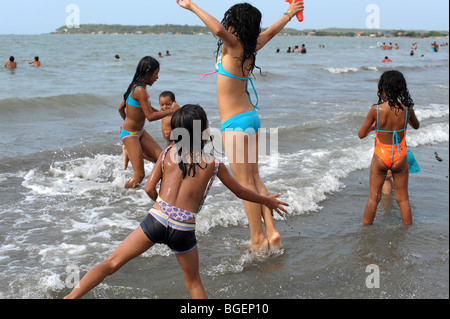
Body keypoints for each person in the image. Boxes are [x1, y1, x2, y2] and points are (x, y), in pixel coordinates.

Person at [64, 104, 288, 299]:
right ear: (202, 131)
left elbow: (150, 189)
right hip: (183, 228)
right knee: (193, 284)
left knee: (110, 264)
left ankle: (71, 296)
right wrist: (266, 201)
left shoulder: (169, 151)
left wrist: (161, 206)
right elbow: (240, 191)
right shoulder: (213, 163)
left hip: (157, 219)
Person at [177, 0, 304, 251]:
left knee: (245, 183)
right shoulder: (251, 47)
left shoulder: (233, 45)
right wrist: (289, 13)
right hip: (251, 118)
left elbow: (217, 30)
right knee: (255, 177)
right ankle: (272, 230)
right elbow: (271, 32)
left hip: (235, 123)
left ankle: (258, 239)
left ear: (235, 23)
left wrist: (191, 6)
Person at [358, 70, 420, 225]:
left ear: (383, 88)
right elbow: (416, 126)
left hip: (381, 155)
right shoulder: (407, 109)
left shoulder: (376, 110)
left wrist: (373, 127)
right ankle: (407, 232)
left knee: (374, 197)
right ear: (401, 88)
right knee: (403, 198)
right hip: (400, 156)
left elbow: (361, 134)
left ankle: (366, 231)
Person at [118, 56, 179, 188]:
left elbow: (121, 108)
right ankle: (120, 194)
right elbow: (150, 116)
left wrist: (127, 121)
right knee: (139, 176)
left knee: (161, 159)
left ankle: (135, 152)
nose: (157, 77)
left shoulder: (138, 87)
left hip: (139, 132)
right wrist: (171, 111)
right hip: (131, 135)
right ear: (147, 71)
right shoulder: (139, 90)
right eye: (156, 73)